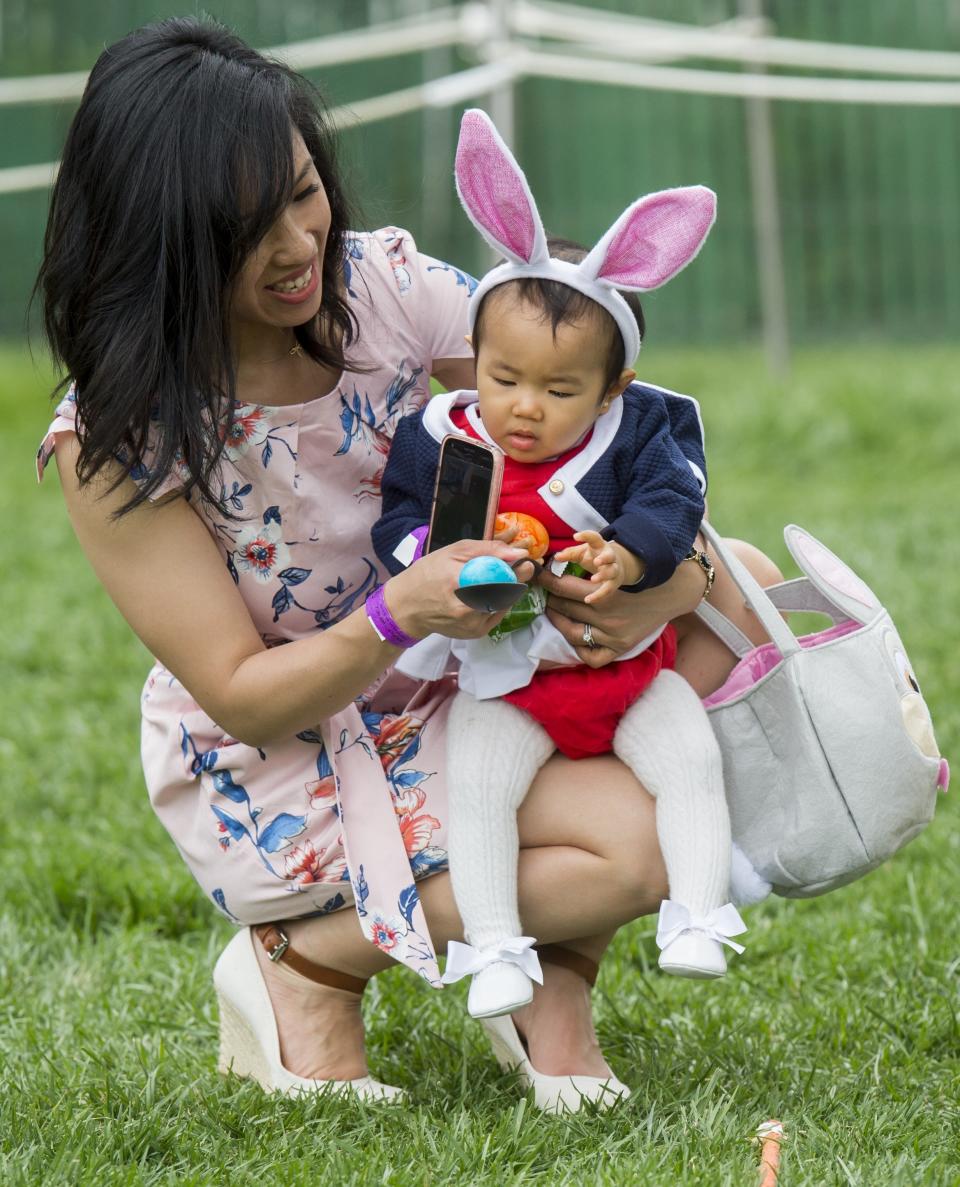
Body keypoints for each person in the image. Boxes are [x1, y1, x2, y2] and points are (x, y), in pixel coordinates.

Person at [35, 18, 780, 1113]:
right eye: (247, 226)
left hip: (464, 664)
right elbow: (242, 694)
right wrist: (397, 611)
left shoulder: (378, 287)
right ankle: (309, 959)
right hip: (298, 734)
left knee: (740, 583)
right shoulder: (120, 435)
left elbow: (589, 420)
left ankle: (550, 989)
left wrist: (656, 585)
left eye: (303, 192)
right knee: (630, 851)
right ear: (162, 233)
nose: (296, 244)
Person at [373, 109, 746, 1029]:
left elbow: (674, 501)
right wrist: (428, 558)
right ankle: (494, 944)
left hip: (624, 670)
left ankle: (700, 913)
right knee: (482, 789)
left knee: (692, 759)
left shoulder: (638, 434)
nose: (526, 408)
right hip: (512, 675)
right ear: (478, 360)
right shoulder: (446, 436)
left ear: (612, 387)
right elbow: (396, 519)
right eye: (505, 378)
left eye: (560, 389)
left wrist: (632, 553)